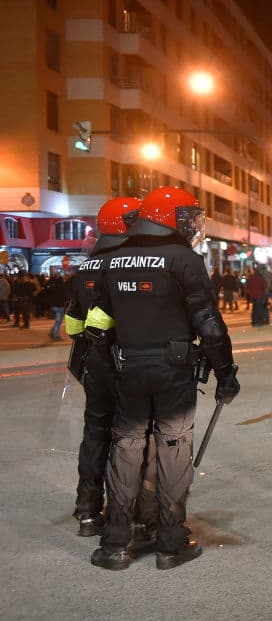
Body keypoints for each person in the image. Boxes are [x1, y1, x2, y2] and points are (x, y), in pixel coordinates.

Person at [85, 186, 240, 571]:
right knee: (173, 450)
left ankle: (116, 543)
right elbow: (209, 324)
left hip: (129, 367)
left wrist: (112, 362)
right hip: (174, 370)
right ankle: (171, 542)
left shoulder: (114, 259)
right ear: (168, 219)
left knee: (126, 449)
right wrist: (226, 372)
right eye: (187, 217)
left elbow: (98, 323)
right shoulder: (184, 259)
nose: (192, 225)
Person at [64, 198, 153, 537]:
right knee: (133, 438)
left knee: (95, 435)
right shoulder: (128, 264)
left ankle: (87, 510)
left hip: (95, 364)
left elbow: (73, 326)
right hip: (127, 361)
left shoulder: (86, 266)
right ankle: (131, 511)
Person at [42, 272, 70, 340]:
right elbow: (66, 296)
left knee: (57, 321)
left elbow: (47, 293)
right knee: (58, 321)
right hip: (60, 306)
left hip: (53, 306)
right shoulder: (63, 287)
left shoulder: (53, 286)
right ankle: (55, 335)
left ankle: (52, 332)